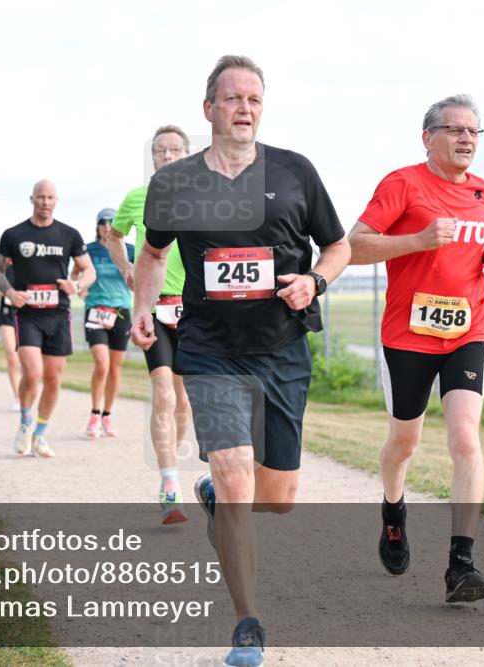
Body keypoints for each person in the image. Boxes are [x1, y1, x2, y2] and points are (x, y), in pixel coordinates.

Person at [131, 56, 350, 667]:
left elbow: (338, 246)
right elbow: (150, 255)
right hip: (210, 350)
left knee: (276, 497)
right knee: (234, 474)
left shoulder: (294, 171)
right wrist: (142, 308)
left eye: (254, 98)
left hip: (282, 348)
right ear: (209, 109)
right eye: (232, 98)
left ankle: (218, 502)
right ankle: (247, 624)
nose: (244, 108)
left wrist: (315, 281)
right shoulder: (174, 184)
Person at [347, 94, 484, 604]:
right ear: (428, 137)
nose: (466, 139)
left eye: (474, 131)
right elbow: (353, 247)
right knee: (405, 445)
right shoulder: (402, 184)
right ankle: (393, 512)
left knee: (465, 439)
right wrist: (416, 240)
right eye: (455, 129)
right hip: (408, 336)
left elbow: (465, 249)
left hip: (467, 331)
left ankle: (461, 564)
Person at [105, 123, 194, 526]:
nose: (168, 157)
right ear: (153, 157)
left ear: (188, 155)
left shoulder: (204, 198)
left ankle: (170, 460)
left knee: (183, 404)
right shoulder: (138, 198)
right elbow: (114, 235)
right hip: (154, 310)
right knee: (163, 392)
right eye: (161, 151)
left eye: (176, 151)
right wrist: (126, 266)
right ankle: (169, 483)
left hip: (193, 311)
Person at [0, 179, 95, 458]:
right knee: (33, 373)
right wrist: (11, 293)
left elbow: (89, 271)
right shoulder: (13, 235)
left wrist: (78, 285)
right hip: (27, 315)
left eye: (50, 198)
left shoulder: (69, 234)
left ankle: (40, 434)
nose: (45, 203)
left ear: (56, 200)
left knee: (53, 379)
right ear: (32, 199)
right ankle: (25, 422)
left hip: (58, 314)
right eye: (41, 197)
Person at [76, 208, 134, 439]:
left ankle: (107, 416)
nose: (108, 226)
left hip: (121, 310)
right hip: (96, 310)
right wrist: (79, 286)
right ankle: (94, 415)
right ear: (98, 225)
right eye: (103, 222)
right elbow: (76, 273)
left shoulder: (128, 249)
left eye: (112, 222)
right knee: (102, 365)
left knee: (115, 369)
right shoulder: (89, 250)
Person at [0, 266, 22, 411]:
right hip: (6, 316)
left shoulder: (29, 266)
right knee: (12, 356)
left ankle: (27, 393)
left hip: (26, 316)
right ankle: (18, 397)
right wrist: (2, 293)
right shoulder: (0, 272)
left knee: (26, 360)